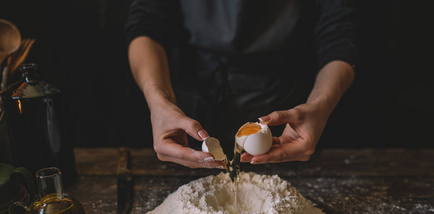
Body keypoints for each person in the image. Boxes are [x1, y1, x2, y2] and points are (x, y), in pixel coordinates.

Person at [126, 0, 360, 168]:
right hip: (187, 112)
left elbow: (340, 35)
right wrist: (159, 102)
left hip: (286, 120)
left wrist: (320, 104)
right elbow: (146, 24)